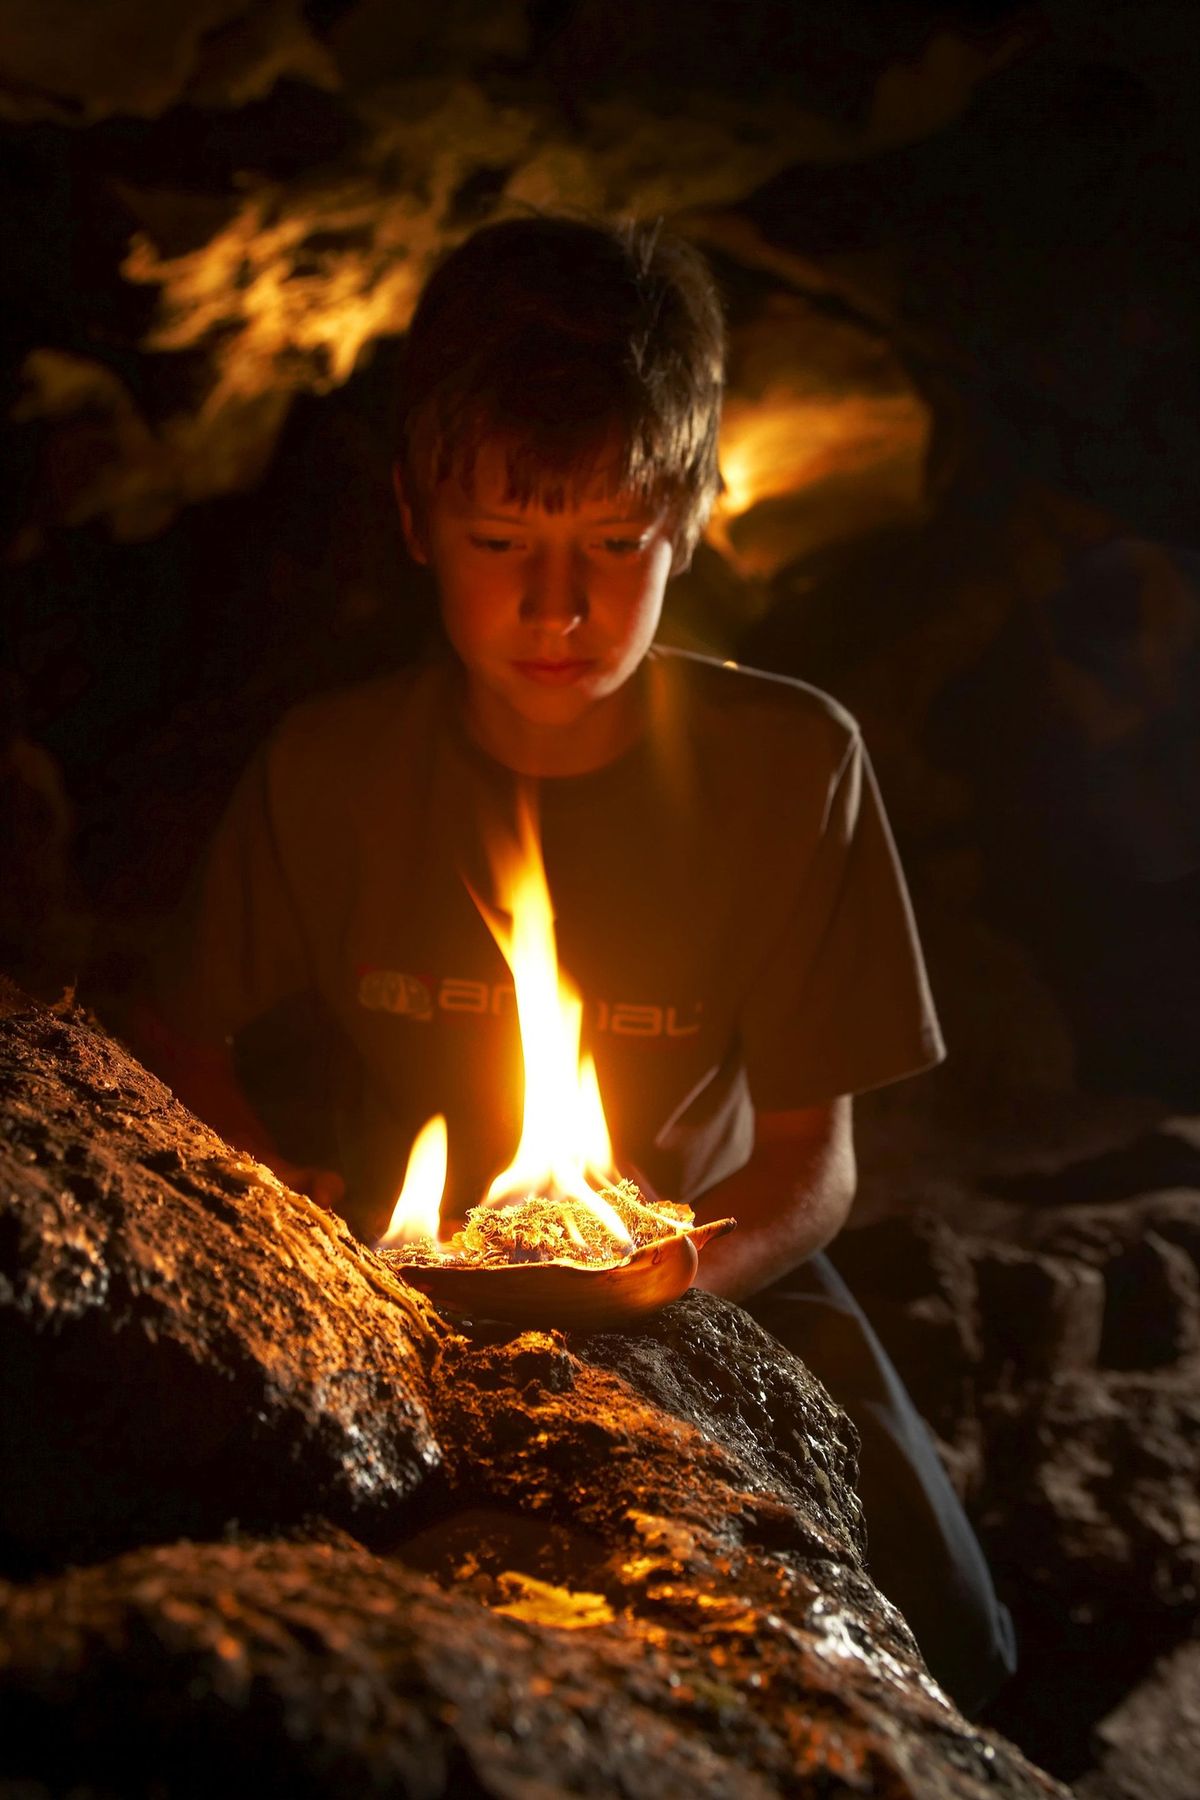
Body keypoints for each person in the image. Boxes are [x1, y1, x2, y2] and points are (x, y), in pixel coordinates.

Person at [147, 213, 1015, 1714]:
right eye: (501, 545)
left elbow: (813, 1164)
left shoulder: (788, 767)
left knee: (948, 1626)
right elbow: (177, 1035)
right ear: (417, 518)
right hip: (404, 1279)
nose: (559, 607)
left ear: (692, 520)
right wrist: (280, 1205)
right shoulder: (336, 771)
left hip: (713, 1272)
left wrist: (670, 1277)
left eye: (617, 544)